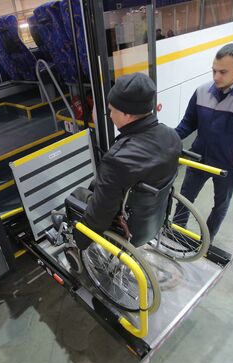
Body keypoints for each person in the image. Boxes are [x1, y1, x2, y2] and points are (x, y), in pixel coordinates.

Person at [72, 73, 182, 250]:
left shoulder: (118, 159)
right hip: (155, 217)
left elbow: (99, 215)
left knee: (77, 195)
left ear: (126, 114)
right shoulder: (171, 136)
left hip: (131, 228)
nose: (110, 115)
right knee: (96, 185)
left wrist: (80, 240)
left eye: (112, 110)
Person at [174, 43, 233, 243]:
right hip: (198, 159)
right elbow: (187, 124)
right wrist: (165, 139)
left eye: (223, 72)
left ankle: (206, 241)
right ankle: (175, 233)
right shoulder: (202, 92)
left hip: (228, 165)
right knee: (184, 199)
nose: (216, 77)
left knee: (220, 205)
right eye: (214, 71)